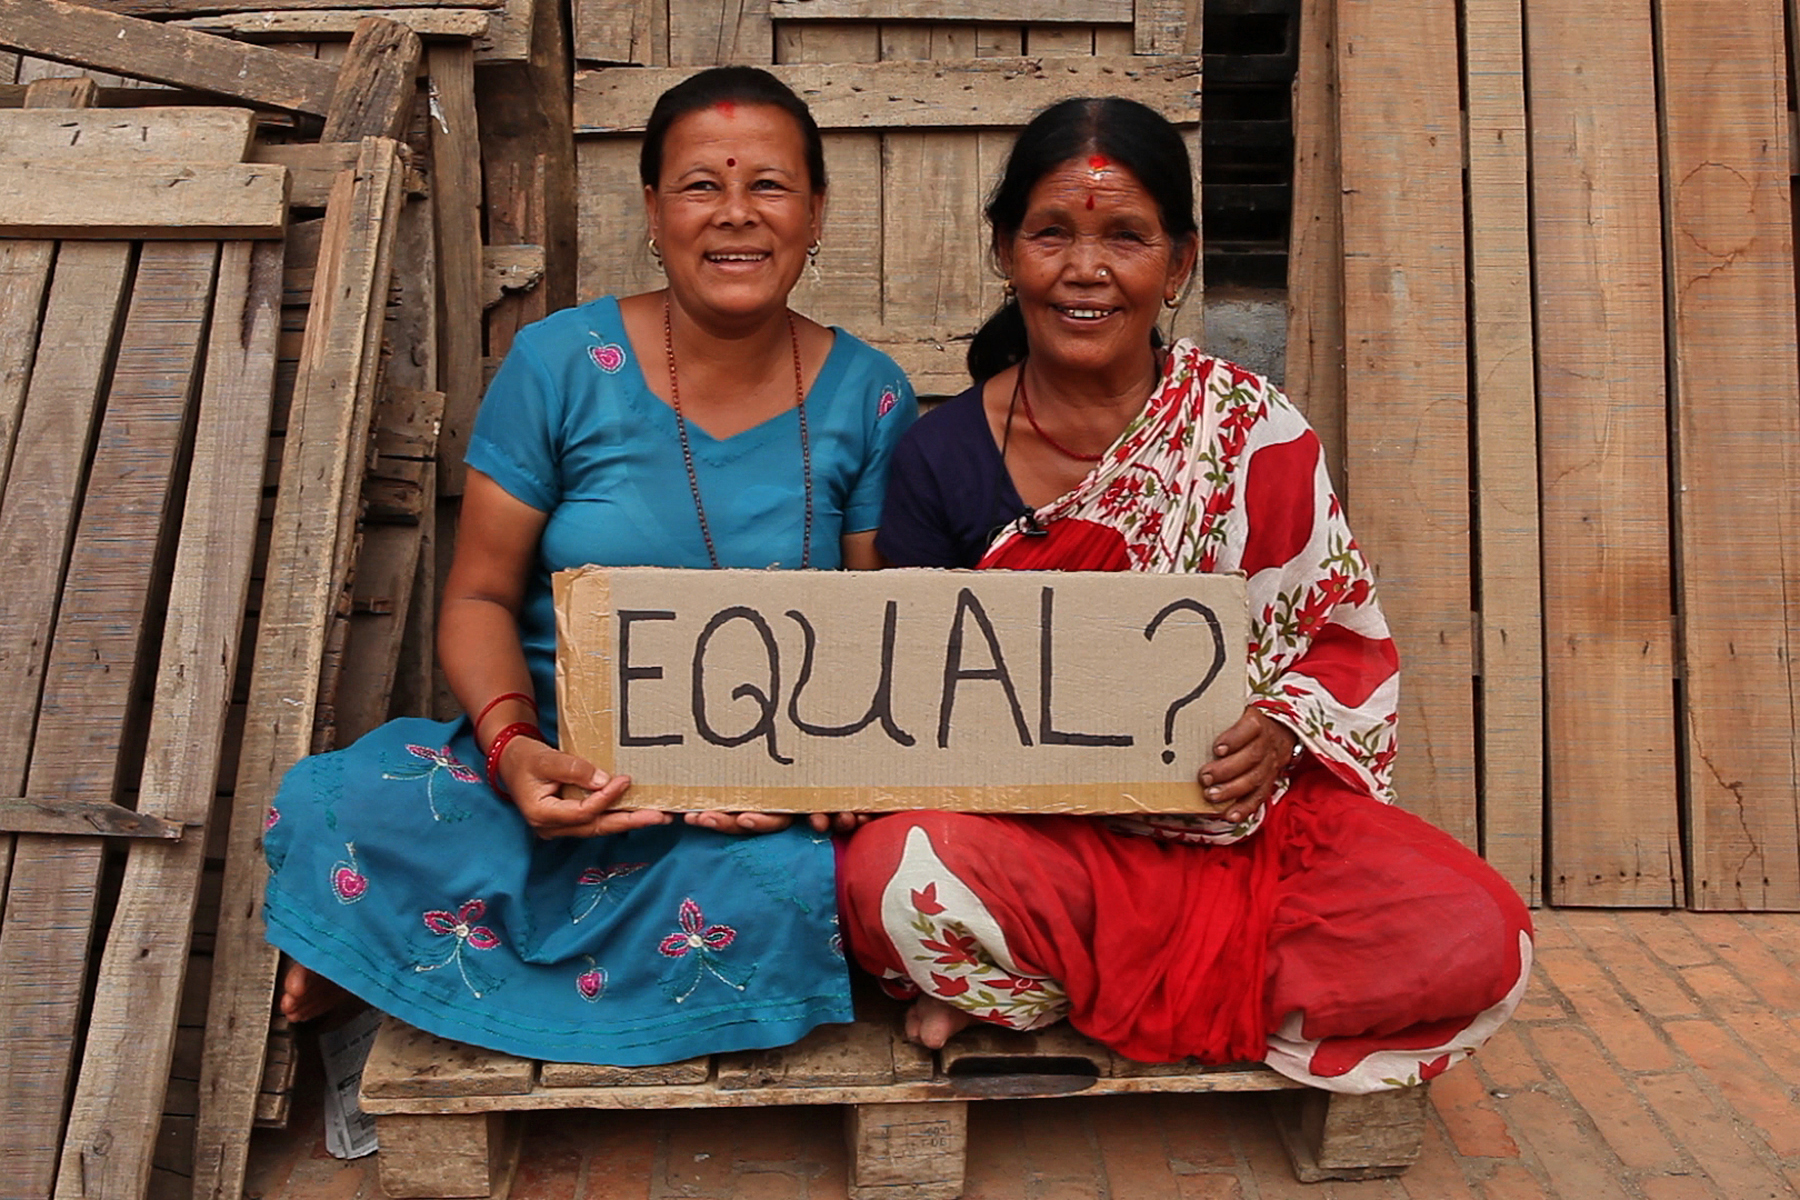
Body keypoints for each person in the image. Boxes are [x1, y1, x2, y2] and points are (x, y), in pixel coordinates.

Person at [839, 96, 1532, 1093]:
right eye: (1051, 234)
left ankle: (1047, 993)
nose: (1086, 270)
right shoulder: (940, 457)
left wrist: (1284, 727)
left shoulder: (1255, 430)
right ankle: (1160, 989)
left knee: (1480, 934)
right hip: (1046, 848)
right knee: (889, 876)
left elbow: (1341, 641)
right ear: (1005, 251)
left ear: (1179, 263)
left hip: (1251, 833)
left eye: (1125, 237)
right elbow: (906, 693)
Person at [262, 66, 916, 1065]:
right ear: (653, 209)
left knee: (803, 882)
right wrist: (518, 751)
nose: (735, 215)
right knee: (328, 802)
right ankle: (412, 952)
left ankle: (396, 963)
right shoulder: (562, 363)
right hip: (566, 765)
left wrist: (821, 776)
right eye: (702, 185)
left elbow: (882, 630)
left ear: (816, 210)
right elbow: (479, 593)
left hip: (754, 800)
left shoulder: (869, 394)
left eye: (770, 186)